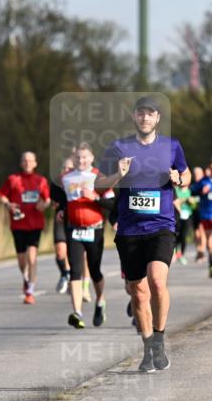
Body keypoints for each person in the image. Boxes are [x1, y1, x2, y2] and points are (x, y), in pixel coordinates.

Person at [98, 95, 190, 372]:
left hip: (161, 225)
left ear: (158, 118)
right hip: (129, 229)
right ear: (134, 116)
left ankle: (159, 339)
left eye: (150, 114)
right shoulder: (118, 147)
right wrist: (118, 175)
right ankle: (149, 347)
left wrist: (179, 179)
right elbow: (98, 183)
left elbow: (186, 175)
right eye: (141, 113)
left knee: (157, 281)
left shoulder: (172, 146)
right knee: (138, 293)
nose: (145, 118)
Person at [59, 143, 114, 328]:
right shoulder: (66, 178)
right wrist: (62, 211)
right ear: (73, 159)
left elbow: (112, 204)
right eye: (78, 157)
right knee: (75, 270)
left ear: (91, 158)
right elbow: (64, 201)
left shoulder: (99, 178)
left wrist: (96, 198)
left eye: (84, 157)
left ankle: (100, 301)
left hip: (94, 229)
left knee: (94, 270)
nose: (81, 161)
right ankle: (77, 312)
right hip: (74, 229)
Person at [0, 151, 51, 305]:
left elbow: (47, 199)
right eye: (25, 160)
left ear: (35, 163)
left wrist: (44, 205)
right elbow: (1, 195)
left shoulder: (41, 180)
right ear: (21, 163)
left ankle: (30, 291)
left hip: (35, 224)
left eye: (30, 160)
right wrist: (8, 204)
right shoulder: (13, 179)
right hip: (18, 223)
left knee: (32, 257)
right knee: (22, 260)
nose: (28, 163)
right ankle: (26, 278)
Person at [50, 153, 75, 294]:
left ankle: (75, 281)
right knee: (60, 252)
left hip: (75, 220)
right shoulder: (56, 182)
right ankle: (65, 274)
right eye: (64, 168)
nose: (66, 170)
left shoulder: (80, 181)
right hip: (60, 219)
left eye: (69, 168)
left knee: (73, 253)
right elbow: (53, 201)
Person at [173, 176, 194, 264]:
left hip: (187, 215)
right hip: (178, 215)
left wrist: (192, 202)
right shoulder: (176, 190)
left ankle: (181, 254)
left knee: (184, 236)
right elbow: (175, 201)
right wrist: (183, 200)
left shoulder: (190, 191)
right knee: (176, 235)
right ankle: (174, 252)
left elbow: (194, 205)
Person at [190, 166, 207, 262]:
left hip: (204, 211)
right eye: (195, 174)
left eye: (198, 174)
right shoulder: (192, 186)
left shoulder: (205, 184)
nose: (196, 176)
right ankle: (198, 250)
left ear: (202, 174)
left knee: (202, 230)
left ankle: (202, 251)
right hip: (194, 211)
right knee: (196, 233)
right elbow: (189, 196)